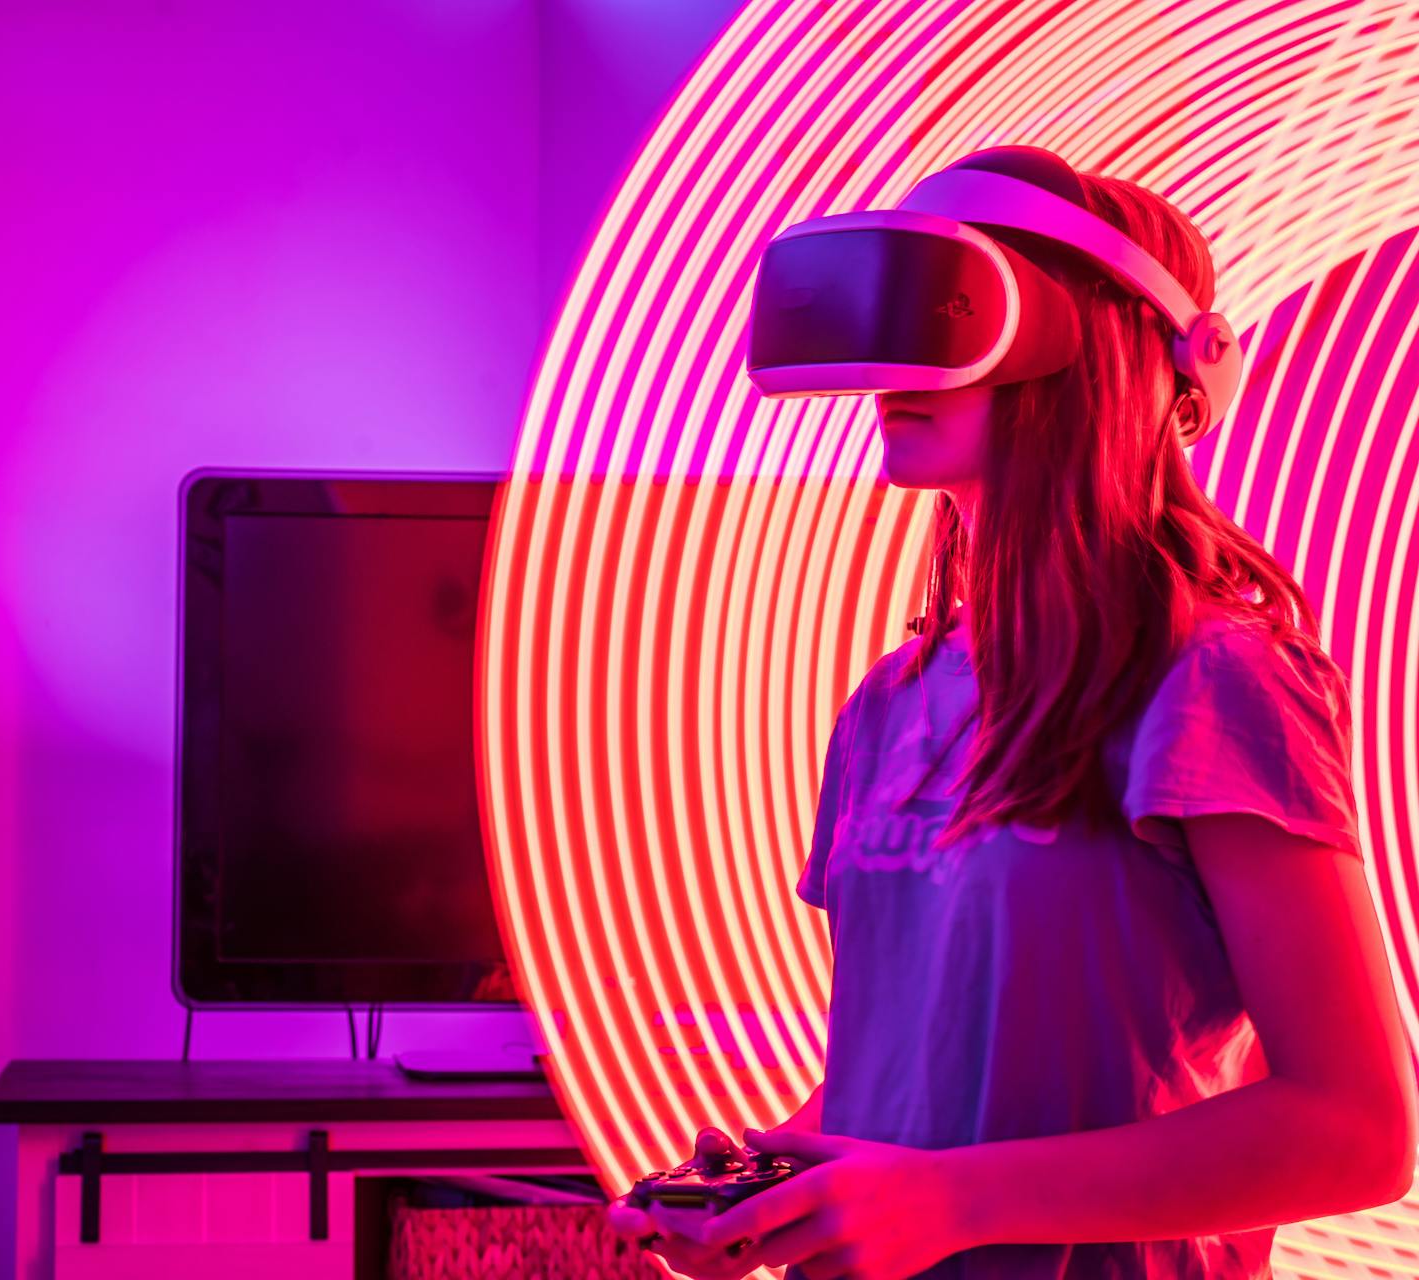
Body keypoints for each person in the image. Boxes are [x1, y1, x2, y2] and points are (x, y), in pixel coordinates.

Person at [607, 149, 1416, 1278]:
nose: (897, 358)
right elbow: (914, 1075)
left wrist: (947, 1203)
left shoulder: (1214, 677)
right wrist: (784, 1182)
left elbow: (1358, 1131)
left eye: (948, 307)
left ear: (1095, 347)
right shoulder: (886, 704)